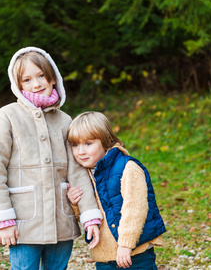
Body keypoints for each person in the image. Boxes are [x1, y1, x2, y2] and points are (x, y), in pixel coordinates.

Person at [0, 47, 102, 270]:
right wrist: (3, 219)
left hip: (61, 222)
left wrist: (89, 215)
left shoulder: (65, 120)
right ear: (18, 85)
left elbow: (77, 171)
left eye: (41, 76)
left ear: (53, 78)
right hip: (24, 222)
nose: (36, 84)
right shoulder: (7, 116)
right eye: (27, 80)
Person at [67, 111, 166, 270]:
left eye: (88, 143)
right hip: (105, 256)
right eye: (75, 145)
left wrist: (126, 244)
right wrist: (75, 204)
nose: (81, 151)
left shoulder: (127, 168)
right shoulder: (83, 175)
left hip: (135, 253)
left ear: (105, 141)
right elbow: (89, 218)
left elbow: (135, 209)